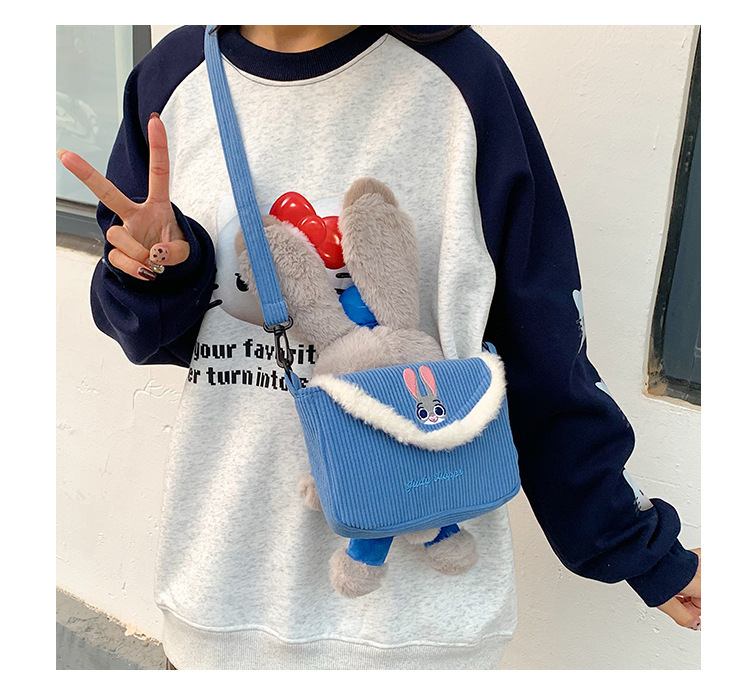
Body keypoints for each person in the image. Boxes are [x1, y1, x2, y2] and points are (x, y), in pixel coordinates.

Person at [57, 25, 701, 670]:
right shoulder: (172, 76)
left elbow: (543, 352)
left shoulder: (463, 81)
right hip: (222, 602)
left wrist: (642, 551)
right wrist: (160, 274)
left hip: (417, 633)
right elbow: (149, 334)